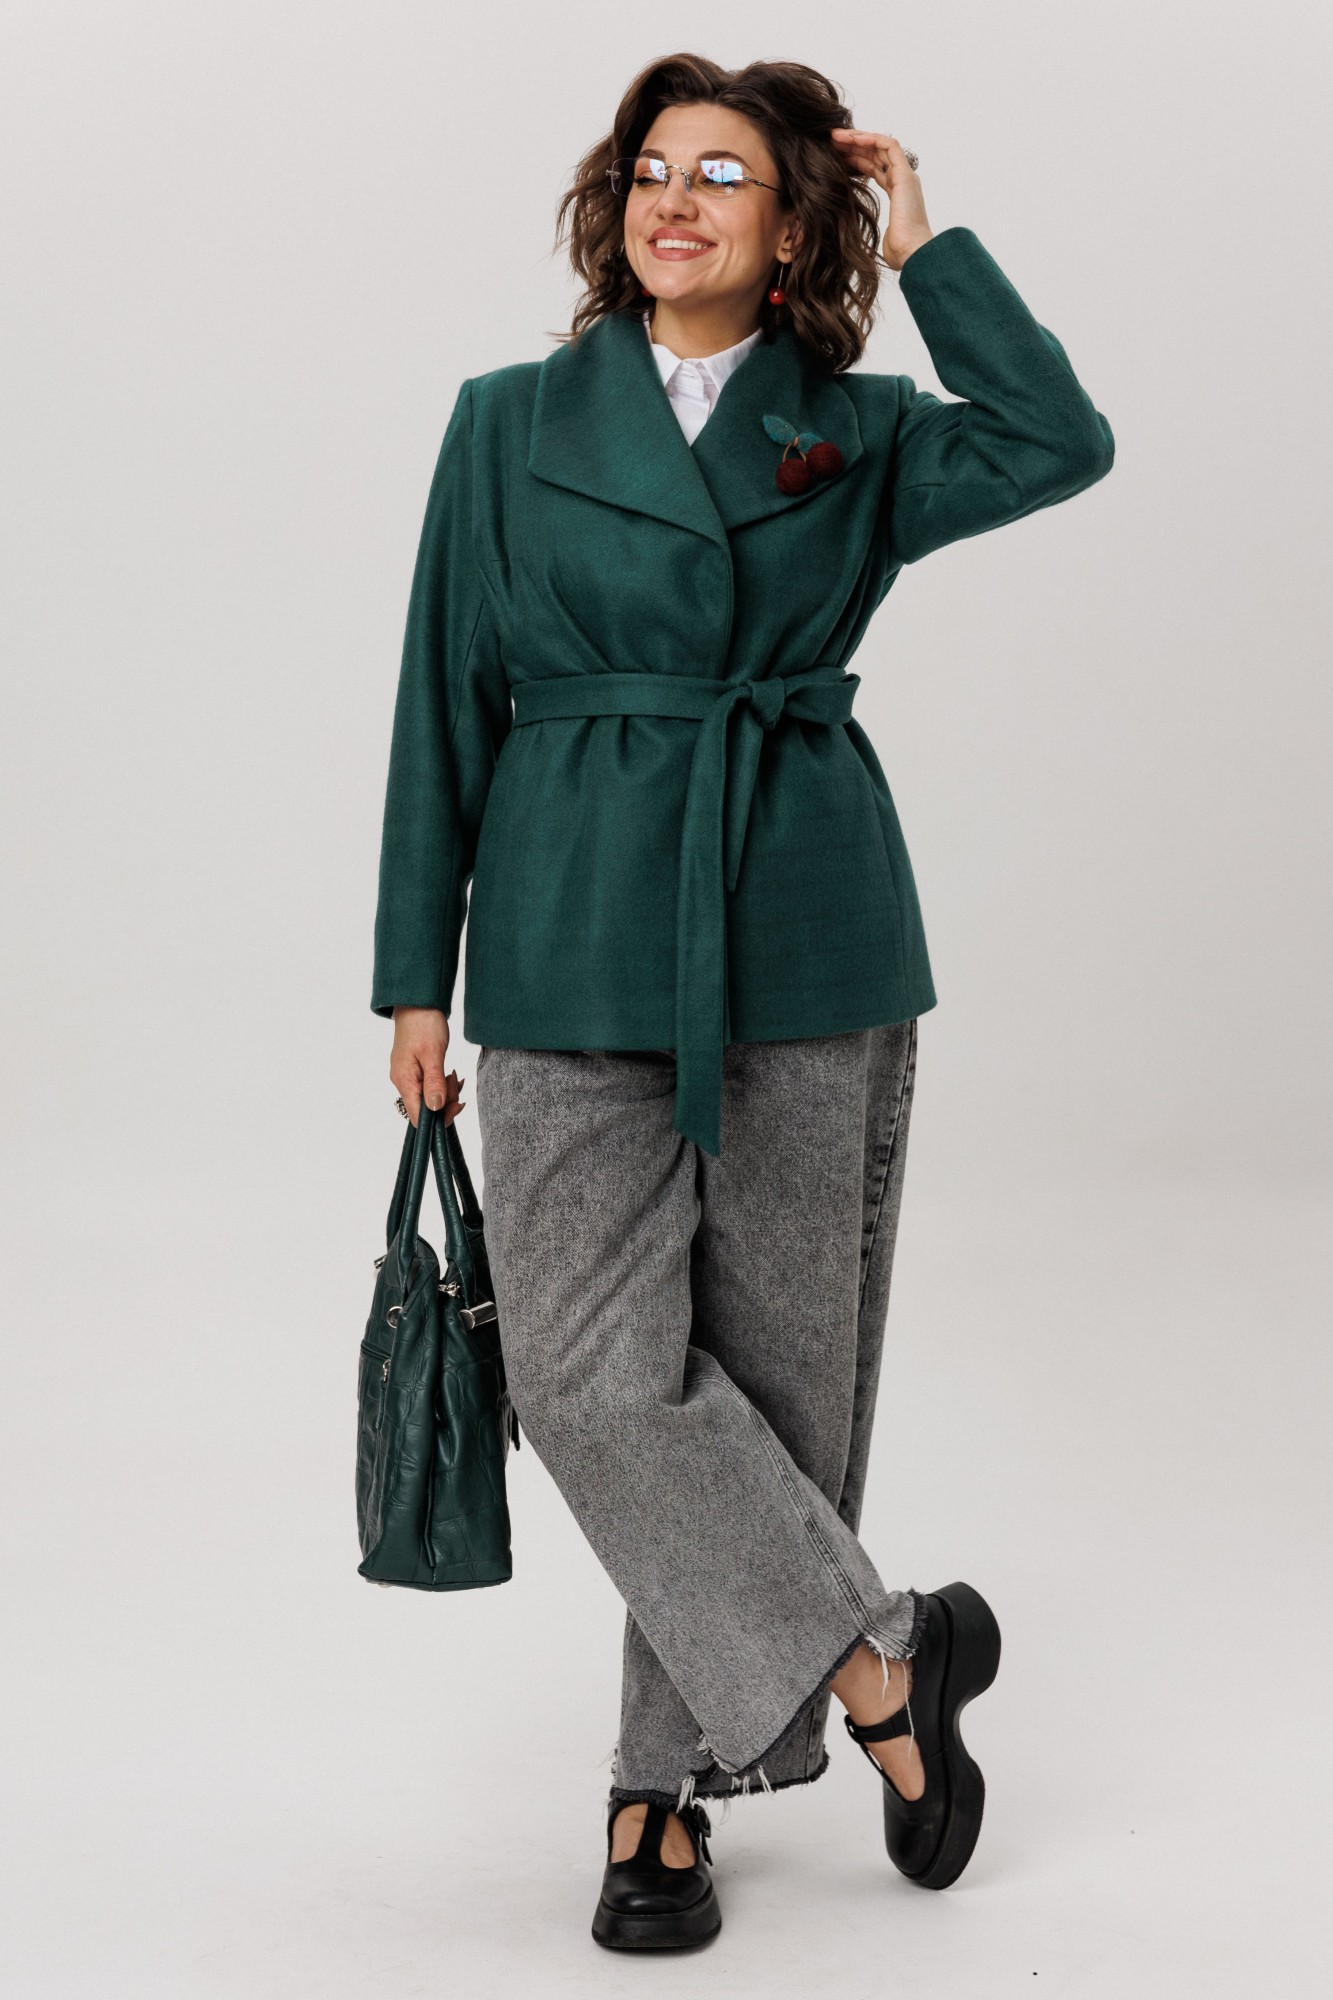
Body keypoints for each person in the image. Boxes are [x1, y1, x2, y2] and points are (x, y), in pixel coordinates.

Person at [371, 52, 1114, 1952]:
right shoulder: (505, 420)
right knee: (585, 1376)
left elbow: (1056, 440)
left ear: (792, 232)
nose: (672, 198)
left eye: (721, 175)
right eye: (649, 168)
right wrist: (411, 976)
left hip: (805, 920)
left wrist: (932, 250)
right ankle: (886, 1662)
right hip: (565, 929)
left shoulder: (855, 428)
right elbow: (442, 694)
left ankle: (658, 1793)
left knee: (774, 1385)